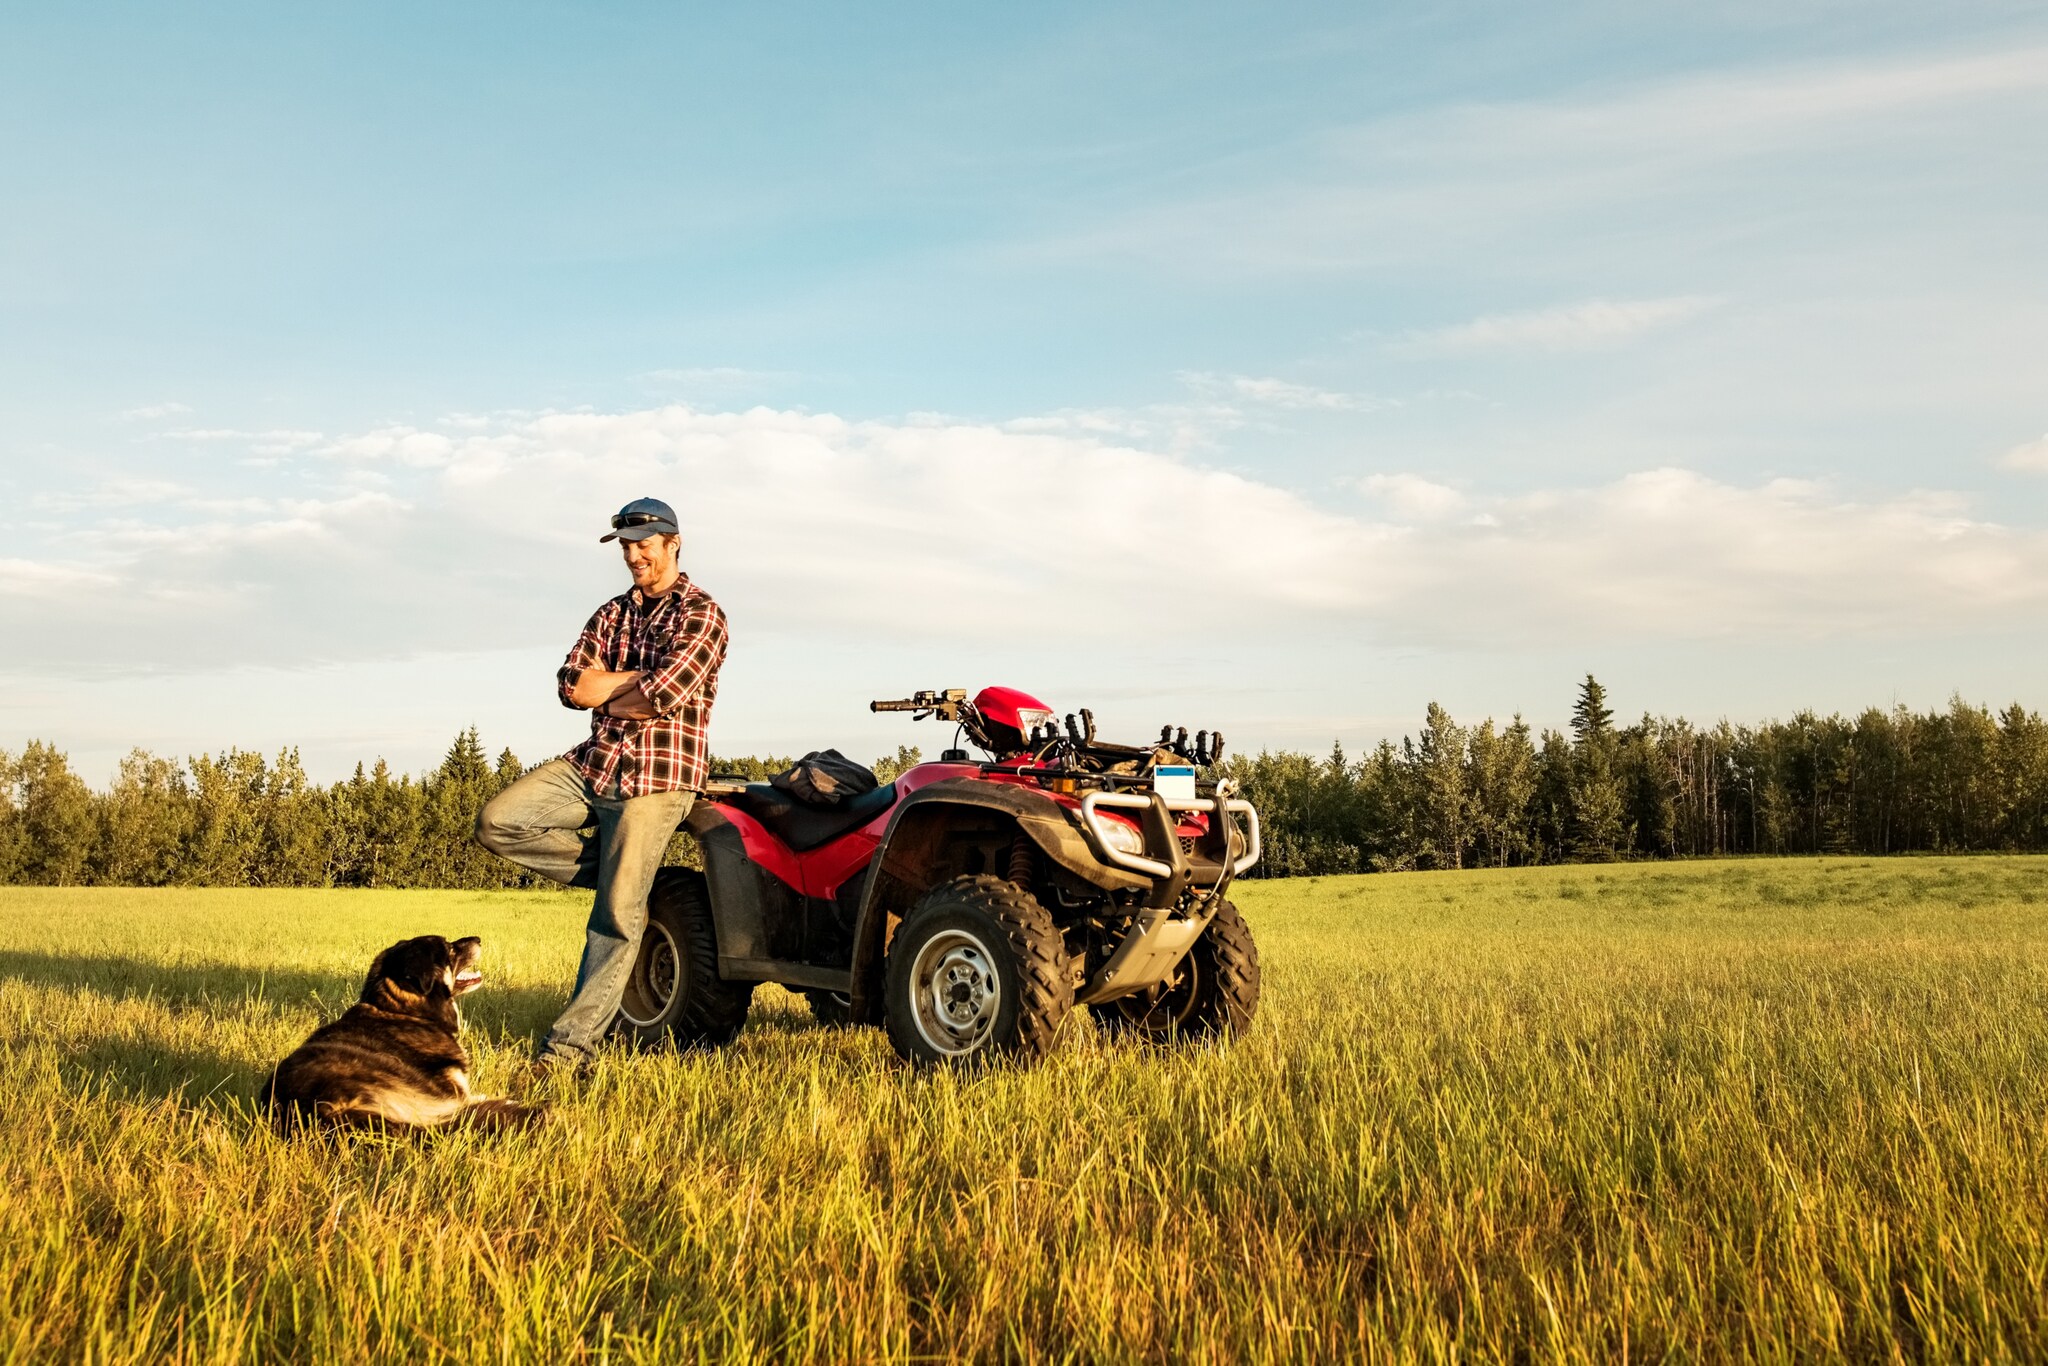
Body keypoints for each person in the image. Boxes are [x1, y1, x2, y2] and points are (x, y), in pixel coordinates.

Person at [475, 496, 729, 1078]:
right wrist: (634, 678)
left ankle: (568, 1054)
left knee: (615, 917)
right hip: (595, 764)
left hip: (658, 776)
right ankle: (625, 875)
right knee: (498, 822)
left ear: (673, 543)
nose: (634, 556)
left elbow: (659, 696)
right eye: (626, 546)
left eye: (645, 544)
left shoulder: (702, 613)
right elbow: (571, 686)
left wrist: (613, 685)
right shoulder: (612, 613)